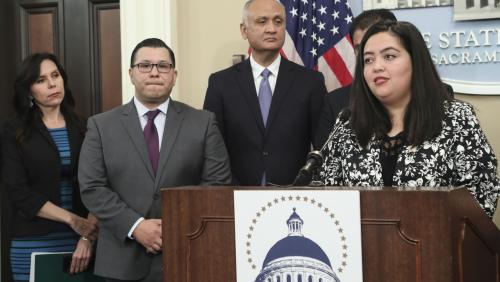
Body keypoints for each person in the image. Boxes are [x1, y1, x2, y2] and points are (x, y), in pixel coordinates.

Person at [78, 38, 231, 282]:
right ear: (131, 73)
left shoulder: (203, 122)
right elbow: (92, 187)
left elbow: (217, 185)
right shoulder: (101, 126)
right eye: (145, 65)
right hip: (122, 261)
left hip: (187, 255)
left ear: (174, 75)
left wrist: (172, 227)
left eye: (163, 66)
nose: (154, 72)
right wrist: (136, 226)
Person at [315, 21, 499, 218]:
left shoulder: (456, 117)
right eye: (368, 60)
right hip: (362, 246)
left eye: (389, 56)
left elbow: (483, 194)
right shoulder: (347, 125)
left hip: (437, 244)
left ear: (416, 61)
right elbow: (330, 197)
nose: (377, 66)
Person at [203, 0, 326, 186]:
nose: (271, 29)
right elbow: (212, 148)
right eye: (262, 21)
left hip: (295, 194)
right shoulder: (221, 83)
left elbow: (322, 145)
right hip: (235, 194)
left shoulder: (311, 82)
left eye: (278, 22)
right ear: (244, 30)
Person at [1, 53, 98, 282]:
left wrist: (87, 238)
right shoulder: (14, 132)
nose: (52, 83)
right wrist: (73, 221)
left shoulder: (88, 127)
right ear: (29, 90)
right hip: (33, 241)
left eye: (55, 75)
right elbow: (19, 192)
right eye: (40, 80)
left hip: (81, 244)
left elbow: (100, 184)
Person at [314, 9, 397, 148]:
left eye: (374, 45)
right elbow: (323, 163)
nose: (366, 53)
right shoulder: (335, 104)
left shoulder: (437, 96)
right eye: (360, 48)